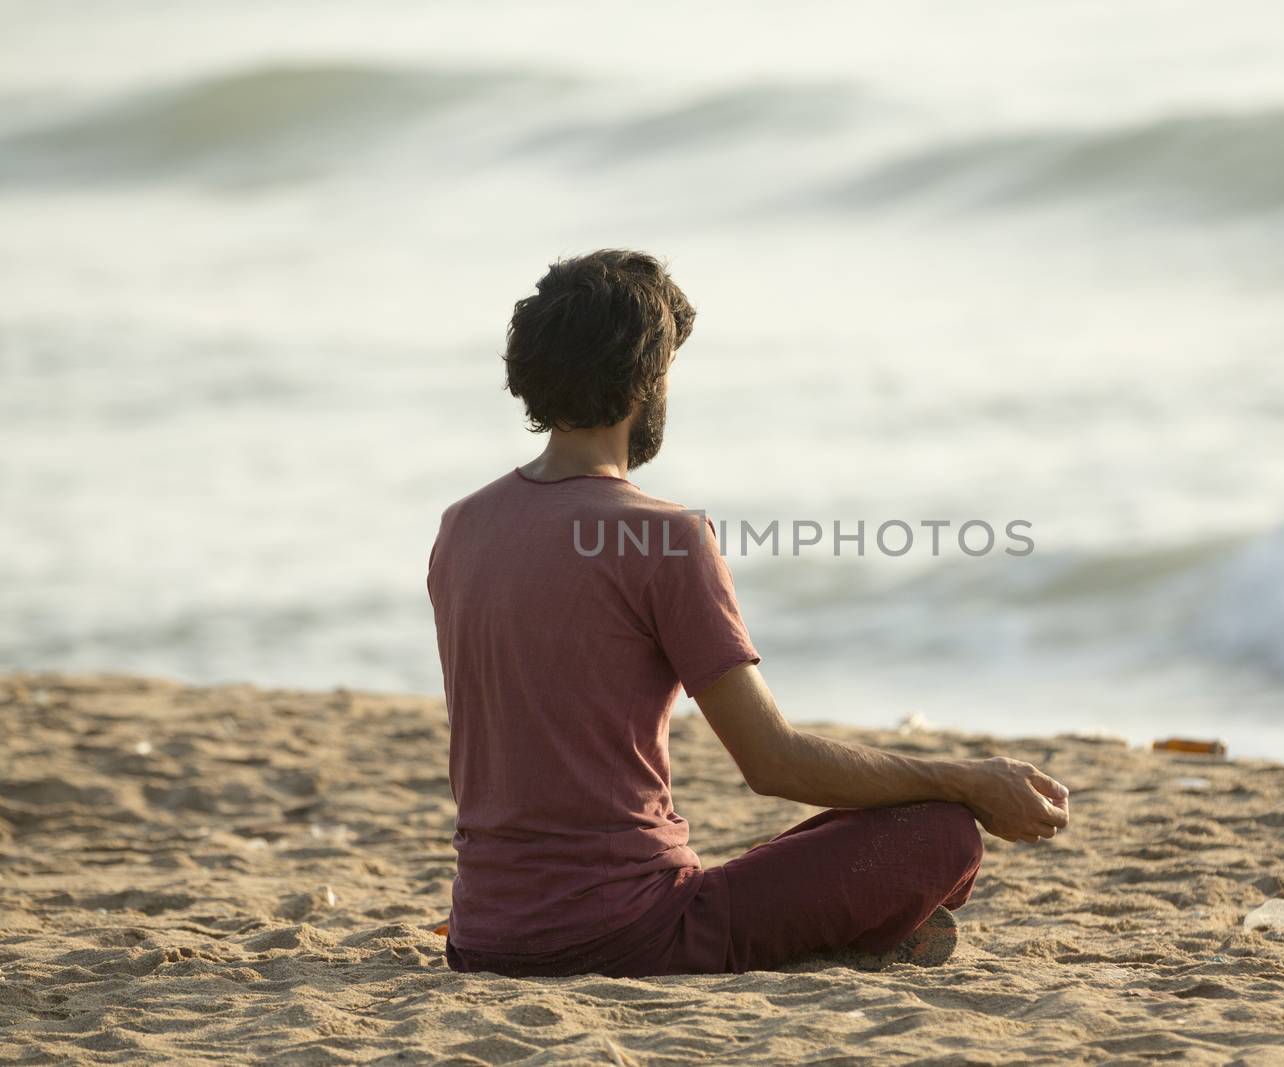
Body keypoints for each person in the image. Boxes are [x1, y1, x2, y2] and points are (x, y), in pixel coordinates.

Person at [427, 248, 1070, 978]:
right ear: (644, 380)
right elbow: (773, 761)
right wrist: (967, 779)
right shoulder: (660, 535)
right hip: (629, 931)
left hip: (484, 934)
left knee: (834, 850)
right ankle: (850, 938)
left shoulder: (462, 526)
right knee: (942, 835)